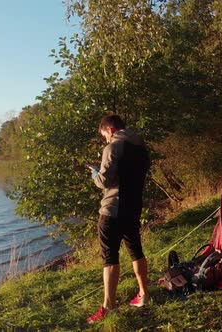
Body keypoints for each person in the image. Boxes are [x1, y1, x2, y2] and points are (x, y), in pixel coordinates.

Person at [86, 114, 151, 323]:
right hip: (133, 208)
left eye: (104, 134)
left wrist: (95, 173)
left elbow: (105, 181)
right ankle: (143, 294)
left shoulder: (112, 147)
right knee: (136, 251)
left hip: (112, 210)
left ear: (110, 130)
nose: (105, 139)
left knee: (110, 258)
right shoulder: (141, 147)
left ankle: (108, 307)